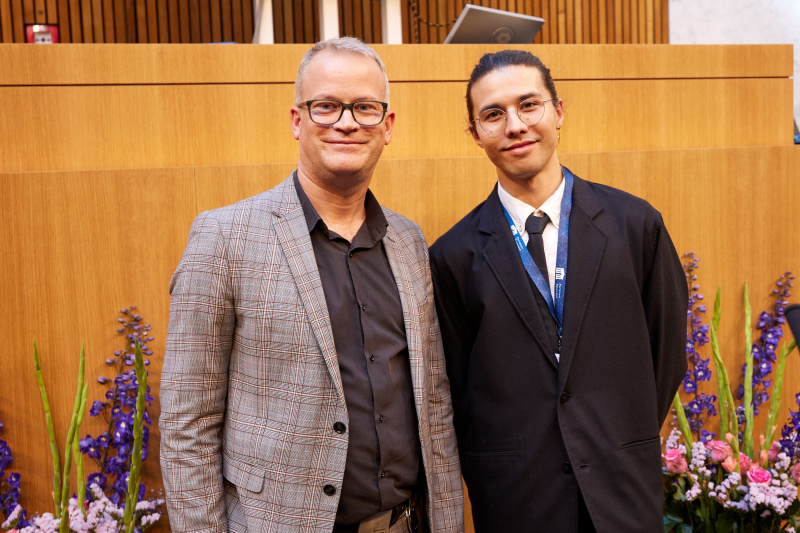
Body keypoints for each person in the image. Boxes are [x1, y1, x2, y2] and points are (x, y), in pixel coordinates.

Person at [159, 37, 464, 533]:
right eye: (326, 106)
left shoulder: (408, 243)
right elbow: (186, 424)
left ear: (387, 127)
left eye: (365, 107)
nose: (346, 122)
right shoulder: (224, 237)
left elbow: (434, 401)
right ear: (297, 121)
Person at [429, 50, 687, 532]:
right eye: (493, 114)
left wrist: (618, 436)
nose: (515, 125)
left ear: (559, 112)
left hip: (622, 493)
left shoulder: (635, 225)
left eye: (530, 105)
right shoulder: (453, 256)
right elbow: (457, 390)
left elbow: (666, 349)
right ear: (475, 134)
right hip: (518, 500)